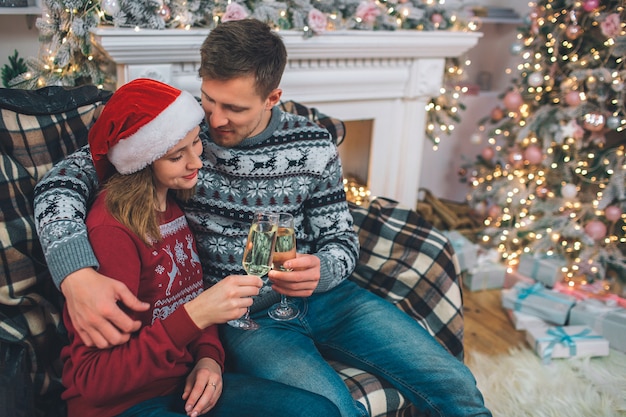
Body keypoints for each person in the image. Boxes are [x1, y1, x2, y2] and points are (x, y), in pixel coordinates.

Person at [34, 19, 492, 417]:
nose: (216, 120)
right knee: (332, 407)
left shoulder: (313, 144)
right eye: (211, 99)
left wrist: (323, 268)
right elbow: (61, 181)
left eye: (234, 108)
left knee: (455, 382)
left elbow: (340, 238)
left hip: (328, 297)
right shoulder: (176, 133)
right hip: (247, 321)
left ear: (273, 97)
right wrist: (75, 272)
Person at [58, 77, 341, 417]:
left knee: (318, 411)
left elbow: (191, 300)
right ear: (141, 163)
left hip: (184, 383)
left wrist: (209, 359)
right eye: (178, 155)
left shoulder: (173, 206)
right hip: (124, 405)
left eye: (196, 144)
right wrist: (194, 317)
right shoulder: (112, 231)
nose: (197, 162)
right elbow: (94, 382)